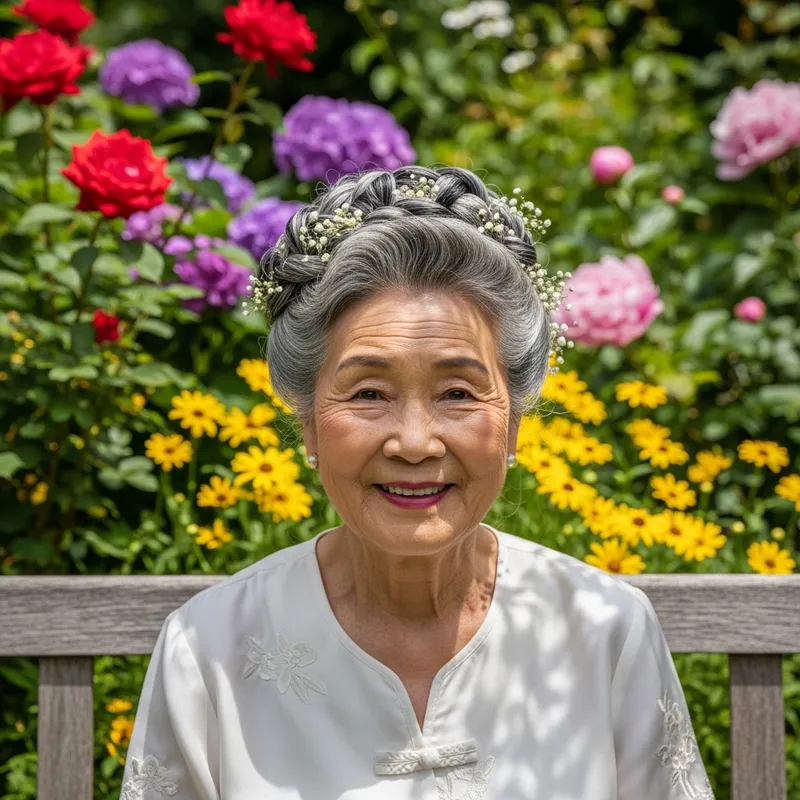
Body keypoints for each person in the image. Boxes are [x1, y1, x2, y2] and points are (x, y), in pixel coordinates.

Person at [119, 165, 714, 799]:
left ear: (513, 421)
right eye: (368, 392)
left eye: (458, 392)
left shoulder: (605, 629)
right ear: (308, 425)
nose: (414, 442)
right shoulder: (208, 649)